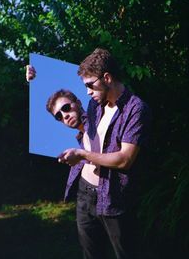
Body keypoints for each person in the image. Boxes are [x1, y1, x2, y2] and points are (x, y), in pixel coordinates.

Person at [58, 48, 152, 259]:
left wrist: (82, 155)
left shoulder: (136, 110)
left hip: (114, 198)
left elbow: (124, 160)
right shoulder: (94, 104)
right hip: (84, 194)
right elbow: (69, 111)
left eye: (90, 85)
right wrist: (34, 82)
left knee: (125, 254)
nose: (88, 92)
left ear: (107, 78)